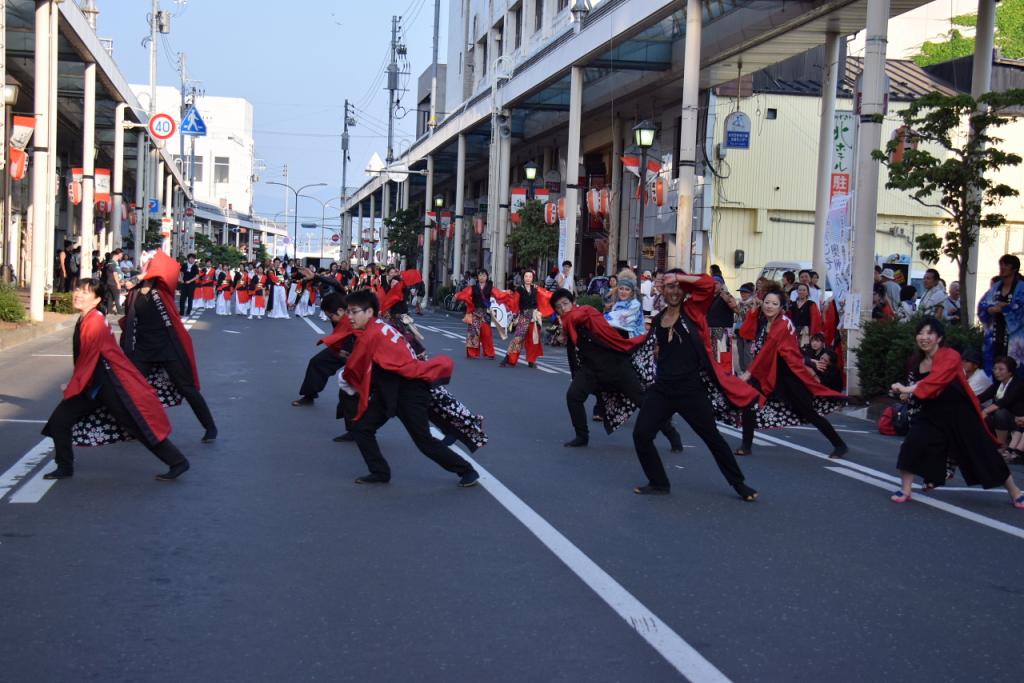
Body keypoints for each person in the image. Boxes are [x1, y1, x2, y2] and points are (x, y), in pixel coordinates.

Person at [40, 278, 190, 481]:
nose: (78, 294)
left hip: (109, 382)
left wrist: (73, 385)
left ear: (97, 299)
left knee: (136, 424)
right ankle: (64, 466)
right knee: (60, 420)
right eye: (78, 290)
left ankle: (178, 462)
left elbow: (88, 360)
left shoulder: (94, 322)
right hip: (94, 382)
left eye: (85, 292)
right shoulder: (87, 318)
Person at [630, 270, 761, 499]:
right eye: (670, 287)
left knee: (712, 438)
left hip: (690, 389)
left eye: (678, 287)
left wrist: (680, 278)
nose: (674, 291)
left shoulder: (693, 311)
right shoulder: (659, 320)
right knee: (641, 434)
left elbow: (709, 284)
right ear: (662, 290)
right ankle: (658, 482)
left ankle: (740, 485)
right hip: (663, 389)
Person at [341, 289, 481, 487]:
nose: (350, 316)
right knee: (362, 429)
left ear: (369, 312)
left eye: (354, 312)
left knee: (423, 441)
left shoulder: (371, 333)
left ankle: (467, 471)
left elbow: (354, 365)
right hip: (389, 389)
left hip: (408, 390)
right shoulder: (380, 325)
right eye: (348, 312)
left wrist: (346, 379)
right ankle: (380, 472)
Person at [889, 317, 1024, 507]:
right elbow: (917, 387)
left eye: (929, 333)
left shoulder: (950, 356)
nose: (924, 337)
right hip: (930, 411)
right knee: (911, 444)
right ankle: (906, 489)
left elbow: (935, 380)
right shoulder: (915, 361)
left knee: (984, 451)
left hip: (960, 411)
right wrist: (905, 392)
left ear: (939, 338)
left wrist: (907, 389)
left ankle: (1015, 491)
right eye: (920, 333)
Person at [552, 288, 683, 451]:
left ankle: (671, 434)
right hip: (591, 369)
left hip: (616, 365)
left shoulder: (586, 311)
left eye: (565, 304)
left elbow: (576, 317)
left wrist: (565, 326)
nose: (563, 308)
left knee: (643, 403)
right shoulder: (568, 323)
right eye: (559, 307)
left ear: (573, 303)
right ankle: (581, 436)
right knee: (573, 396)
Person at [736, 286, 848, 459]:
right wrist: (752, 312)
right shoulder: (764, 320)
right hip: (766, 372)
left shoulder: (783, 323)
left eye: (774, 304)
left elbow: (771, 349)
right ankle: (746, 445)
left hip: (787, 375)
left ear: (781, 307)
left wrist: (749, 372)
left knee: (808, 412)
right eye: (767, 302)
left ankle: (839, 445)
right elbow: (746, 333)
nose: (769, 306)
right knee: (749, 403)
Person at [120, 250, 218, 443]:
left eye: (148, 264)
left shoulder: (164, 288)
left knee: (187, 388)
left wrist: (147, 272)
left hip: (167, 345)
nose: (145, 267)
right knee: (130, 387)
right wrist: (141, 276)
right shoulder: (135, 291)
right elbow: (126, 286)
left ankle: (210, 426)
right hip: (143, 347)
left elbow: (170, 267)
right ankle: (133, 427)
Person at [292, 293, 350, 407]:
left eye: (331, 316)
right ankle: (309, 395)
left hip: (359, 350)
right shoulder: (341, 312)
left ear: (341, 310)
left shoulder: (355, 317)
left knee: (354, 382)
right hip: (340, 346)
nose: (330, 319)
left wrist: (346, 350)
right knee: (317, 362)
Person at [978, 254, 1024, 376]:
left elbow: (1020, 308)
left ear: (1014, 269)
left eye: (1006, 265)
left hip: (1014, 337)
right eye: (1001, 264)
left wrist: (1006, 308)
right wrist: (989, 309)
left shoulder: (1021, 287)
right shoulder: (996, 287)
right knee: (994, 367)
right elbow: (983, 304)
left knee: (1014, 370)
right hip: (995, 333)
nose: (1002, 268)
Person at [497, 269, 552, 368]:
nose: (528, 278)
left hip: (534, 317)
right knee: (517, 338)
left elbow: (546, 295)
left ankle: (531, 361)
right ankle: (508, 358)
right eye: (526, 276)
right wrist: (507, 296)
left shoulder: (536, 288)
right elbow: (514, 301)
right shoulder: (519, 289)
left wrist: (557, 296)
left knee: (534, 340)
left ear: (533, 278)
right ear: (523, 278)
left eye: (530, 276)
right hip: (524, 316)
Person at [977, 356, 1024, 448]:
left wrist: (985, 411)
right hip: (1002, 418)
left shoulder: (1018, 383)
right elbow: (982, 397)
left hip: (1017, 420)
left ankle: (1001, 444)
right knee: (976, 408)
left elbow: (1004, 402)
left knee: (1000, 413)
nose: (996, 372)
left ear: (1010, 372)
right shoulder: (998, 383)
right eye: (995, 369)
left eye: (1001, 369)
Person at [455, 269, 497, 359]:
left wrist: (507, 294)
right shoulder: (473, 288)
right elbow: (465, 294)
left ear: (487, 277)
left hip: (485, 313)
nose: (482, 277)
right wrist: (460, 295)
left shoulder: (490, 287)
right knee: (473, 333)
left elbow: (499, 294)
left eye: (484, 275)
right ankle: (472, 353)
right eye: (480, 275)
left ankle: (489, 353)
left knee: (487, 334)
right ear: (477, 277)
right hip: (475, 313)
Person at [706, 276, 738, 374]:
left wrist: (727, 297)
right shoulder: (710, 296)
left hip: (722, 332)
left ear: (721, 284)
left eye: (716, 283)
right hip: (711, 331)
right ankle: (717, 375)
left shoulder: (725, 295)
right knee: (714, 356)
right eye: (712, 283)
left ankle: (725, 375)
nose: (714, 285)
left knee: (723, 355)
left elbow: (736, 308)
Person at [604, 269, 645, 337]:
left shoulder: (635, 305)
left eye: (627, 289)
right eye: (621, 288)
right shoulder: (617, 304)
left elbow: (619, 320)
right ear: (618, 290)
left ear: (631, 292)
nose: (623, 292)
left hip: (632, 339)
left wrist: (601, 319)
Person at [787, 283, 822, 348]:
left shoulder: (811, 304)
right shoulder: (792, 305)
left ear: (807, 292)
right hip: (793, 331)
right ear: (797, 291)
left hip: (806, 332)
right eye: (800, 290)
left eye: (804, 290)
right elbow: (788, 319)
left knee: (804, 349)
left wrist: (812, 334)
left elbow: (815, 320)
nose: (801, 292)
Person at [735, 282, 759, 373]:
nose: (742, 294)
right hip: (739, 330)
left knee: (748, 353)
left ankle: (749, 373)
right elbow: (737, 317)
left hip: (749, 332)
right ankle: (742, 371)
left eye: (745, 292)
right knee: (740, 351)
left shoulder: (753, 303)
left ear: (751, 293)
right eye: (741, 292)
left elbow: (747, 316)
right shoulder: (741, 302)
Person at [102, 249, 124, 315]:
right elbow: (115, 274)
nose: (119, 257)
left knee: (110, 297)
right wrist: (118, 283)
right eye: (118, 256)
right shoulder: (113, 263)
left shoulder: (109, 262)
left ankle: (110, 311)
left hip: (108, 283)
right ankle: (120, 311)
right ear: (115, 255)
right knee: (117, 297)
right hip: (113, 283)